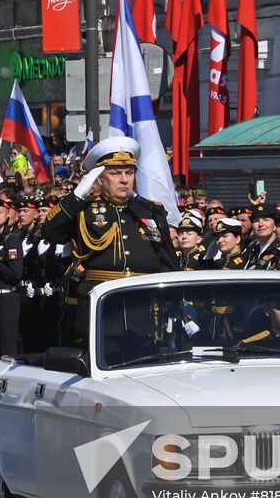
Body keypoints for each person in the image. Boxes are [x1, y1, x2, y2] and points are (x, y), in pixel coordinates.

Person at [40, 136, 179, 346]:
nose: (124, 179)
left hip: (144, 309)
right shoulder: (84, 210)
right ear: (100, 179)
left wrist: (173, 304)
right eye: (115, 173)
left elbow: (167, 261)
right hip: (102, 308)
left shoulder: (150, 210)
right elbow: (51, 232)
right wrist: (76, 195)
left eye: (129, 172)